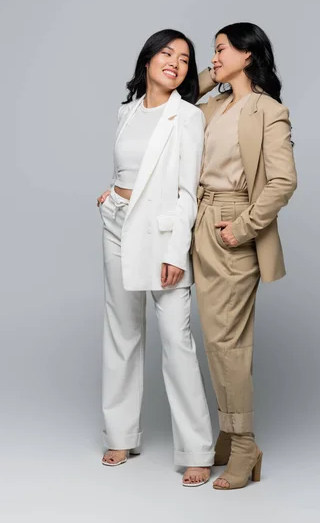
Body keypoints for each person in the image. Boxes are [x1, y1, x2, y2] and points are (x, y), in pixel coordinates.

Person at [97, 29, 214, 486]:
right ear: (147, 59)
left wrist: (176, 250)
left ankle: (197, 448)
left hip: (163, 236)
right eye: (167, 53)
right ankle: (121, 434)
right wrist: (111, 195)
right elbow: (128, 169)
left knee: (176, 340)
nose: (176, 63)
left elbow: (187, 190)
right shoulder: (125, 112)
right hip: (117, 224)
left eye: (185, 59)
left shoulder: (187, 116)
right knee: (121, 332)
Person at [193, 22, 297, 490]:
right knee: (218, 339)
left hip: (233, 226)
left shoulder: (268, 111)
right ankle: (228, 431)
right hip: (201, 221)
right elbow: (171, 95)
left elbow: (282, 182)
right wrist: (212, 71)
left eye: (220, 49)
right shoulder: (213, 105)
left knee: (226, 342)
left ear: (247, 55)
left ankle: (243, 444)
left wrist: (241, 228)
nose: (213, 58)